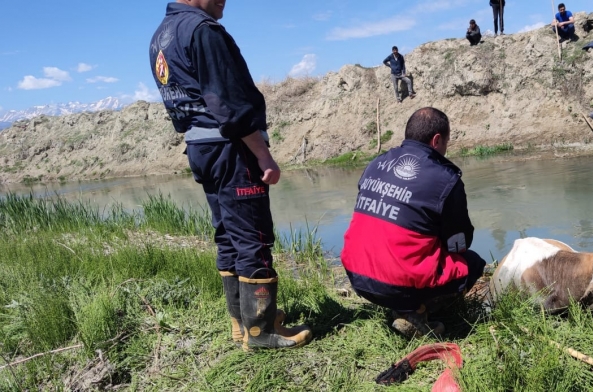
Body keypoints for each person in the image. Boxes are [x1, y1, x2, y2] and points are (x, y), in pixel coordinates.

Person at [149, 0, 312, 351]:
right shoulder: (202, 31)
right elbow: (230, 103)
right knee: (253, 235)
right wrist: (263, 154)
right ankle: (261, 332)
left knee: (227, 233)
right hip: (230, 148)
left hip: (200, 147)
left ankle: (242, 322)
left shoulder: (160, 37)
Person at [340, 107, 486, 338]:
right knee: (473, 263)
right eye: (446, 143)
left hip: (356, 275)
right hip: (394, 283)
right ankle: (417, 312)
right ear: (437, 140)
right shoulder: (446, 179)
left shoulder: (376, 164)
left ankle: (403, 303)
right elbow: (459, 241)